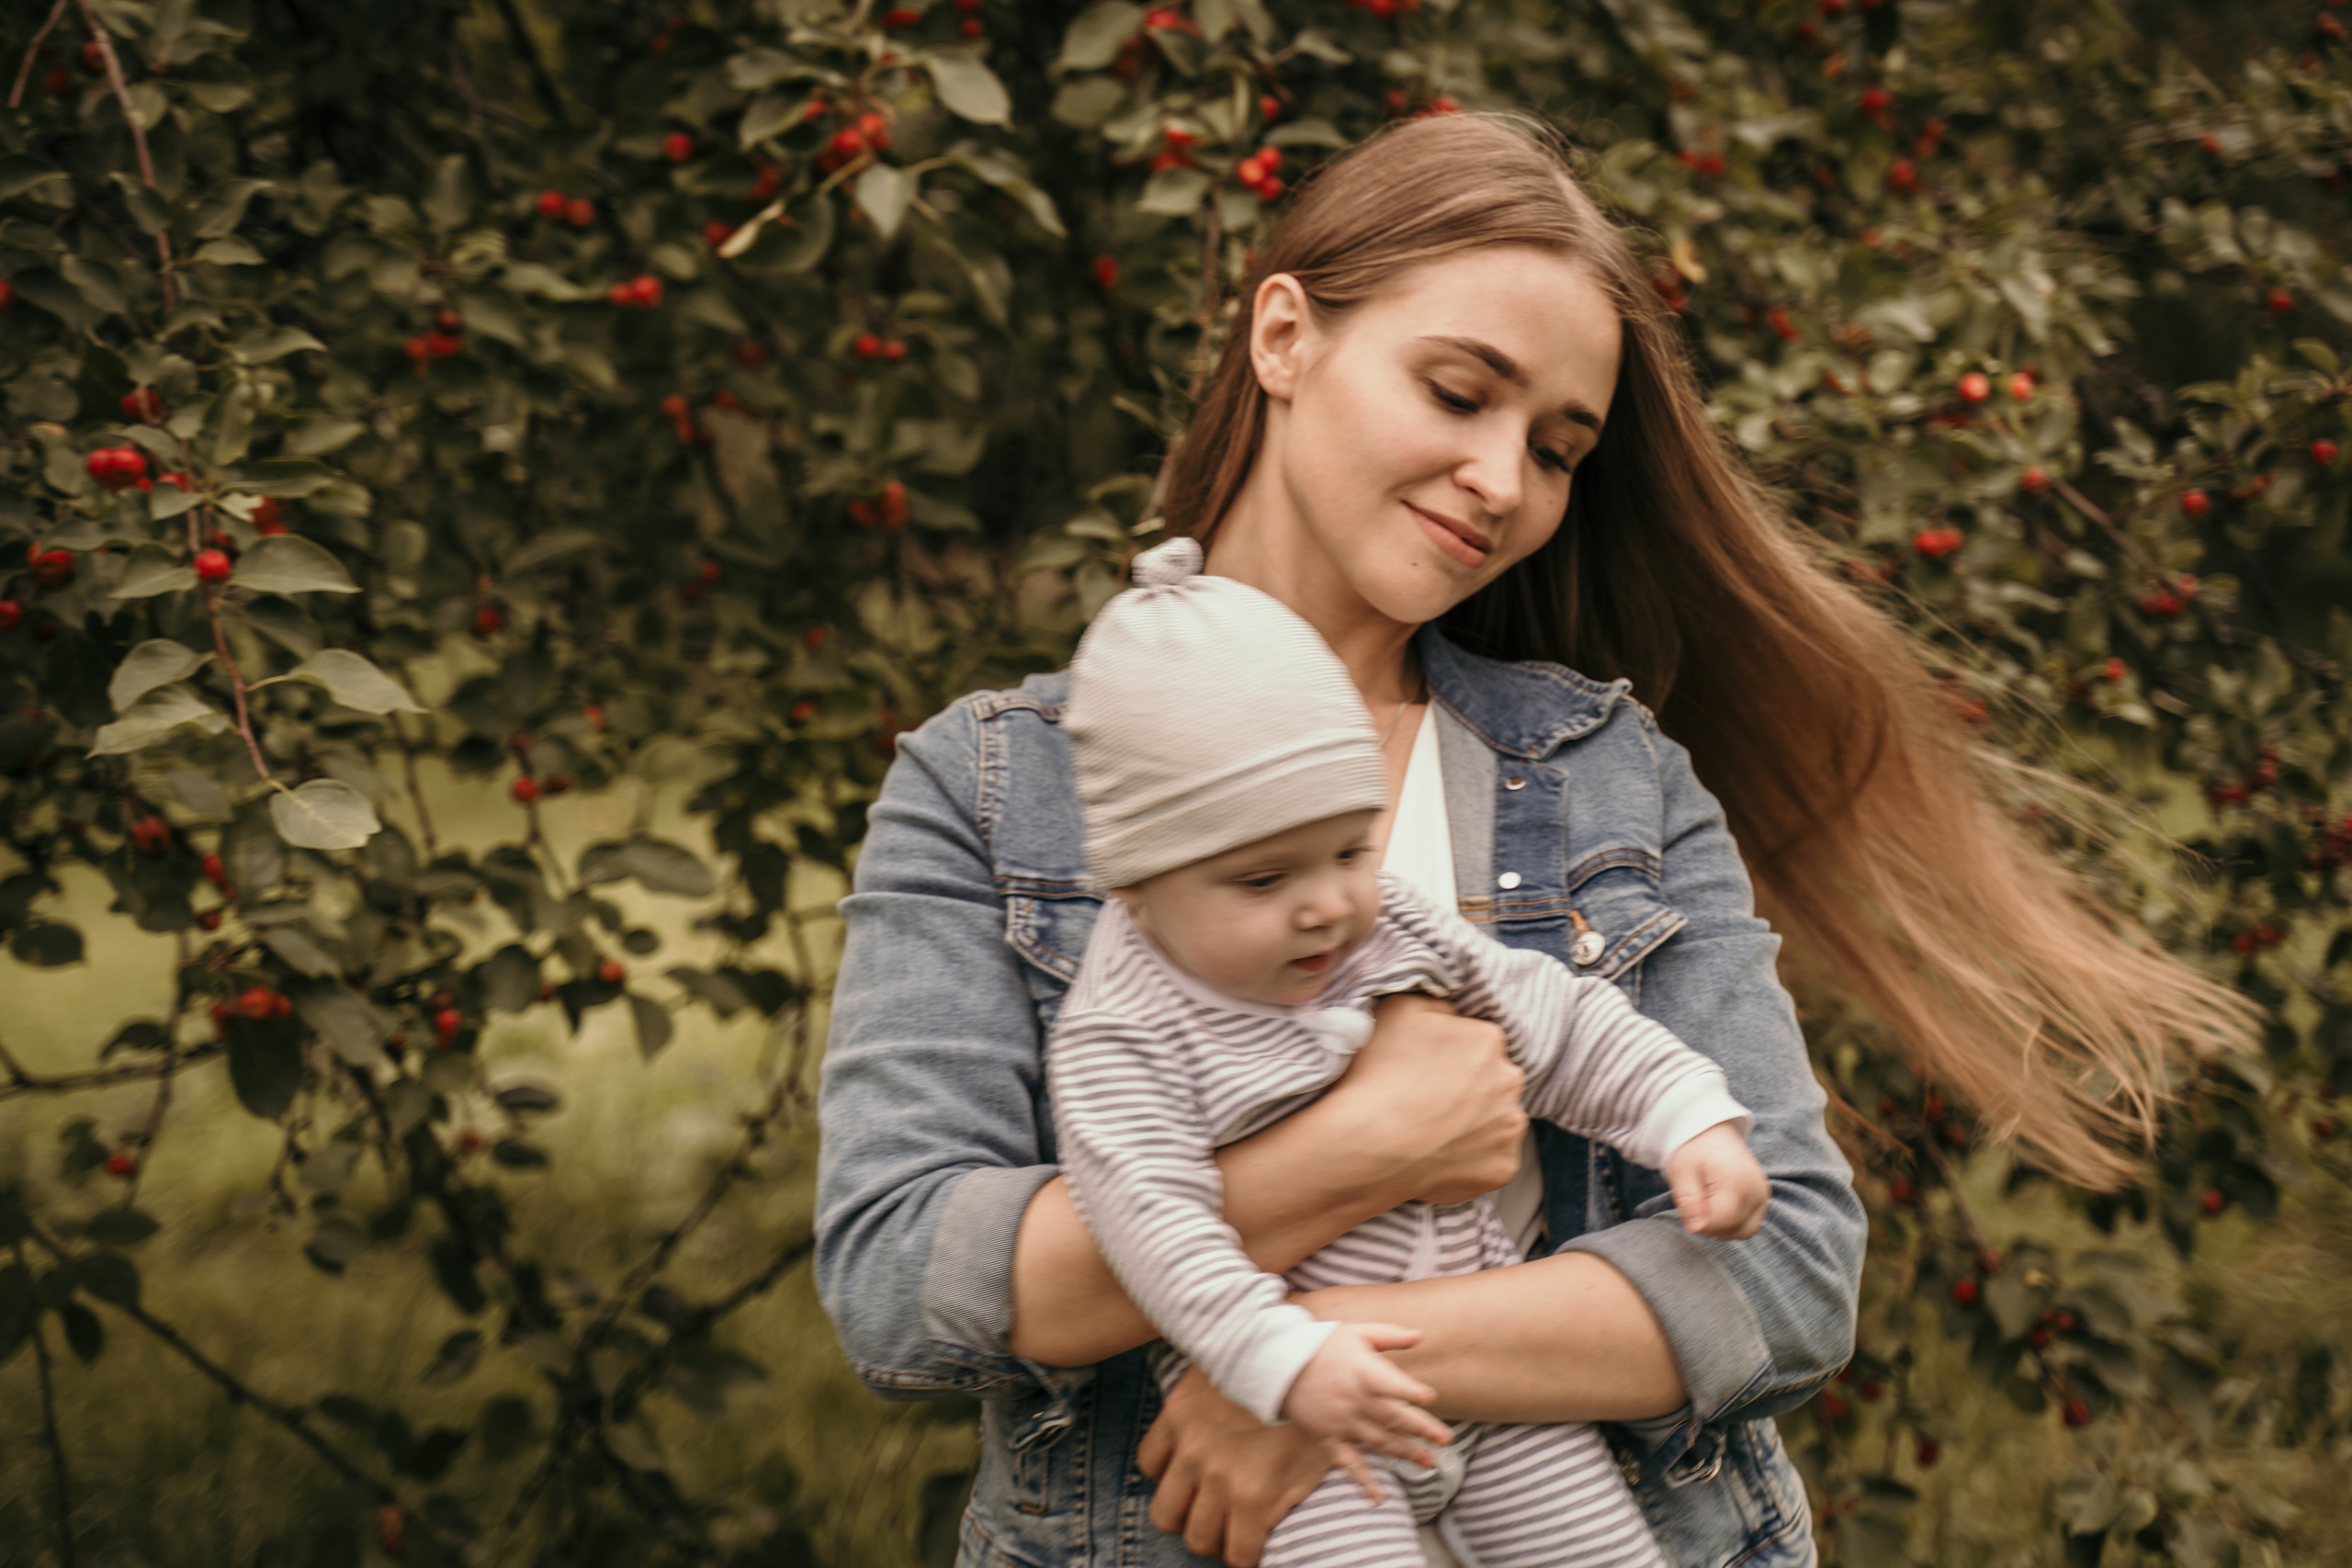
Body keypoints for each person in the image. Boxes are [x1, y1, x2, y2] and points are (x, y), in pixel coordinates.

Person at [816, 112, 2258, 1568]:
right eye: (1459, 392)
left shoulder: (1612, 775)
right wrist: (1369, 1142)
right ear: (1283, 336)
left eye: (1558, 448)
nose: (1504, 480)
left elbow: (1788, 1268)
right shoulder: (994, 787)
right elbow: (903, 1278)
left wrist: (1308, 1367)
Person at [1047, 538, 1768, 1567]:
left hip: (1496, 1377)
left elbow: (1555, 1020)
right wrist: (1280, 1361)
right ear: (1137, 890)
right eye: (1263, 881)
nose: (1325, 905)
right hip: (1306, 1412)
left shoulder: (1384, 924)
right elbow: (1153, 1227)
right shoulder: (1126, 1033)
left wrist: (1685, 1116)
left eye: (1349, 849)